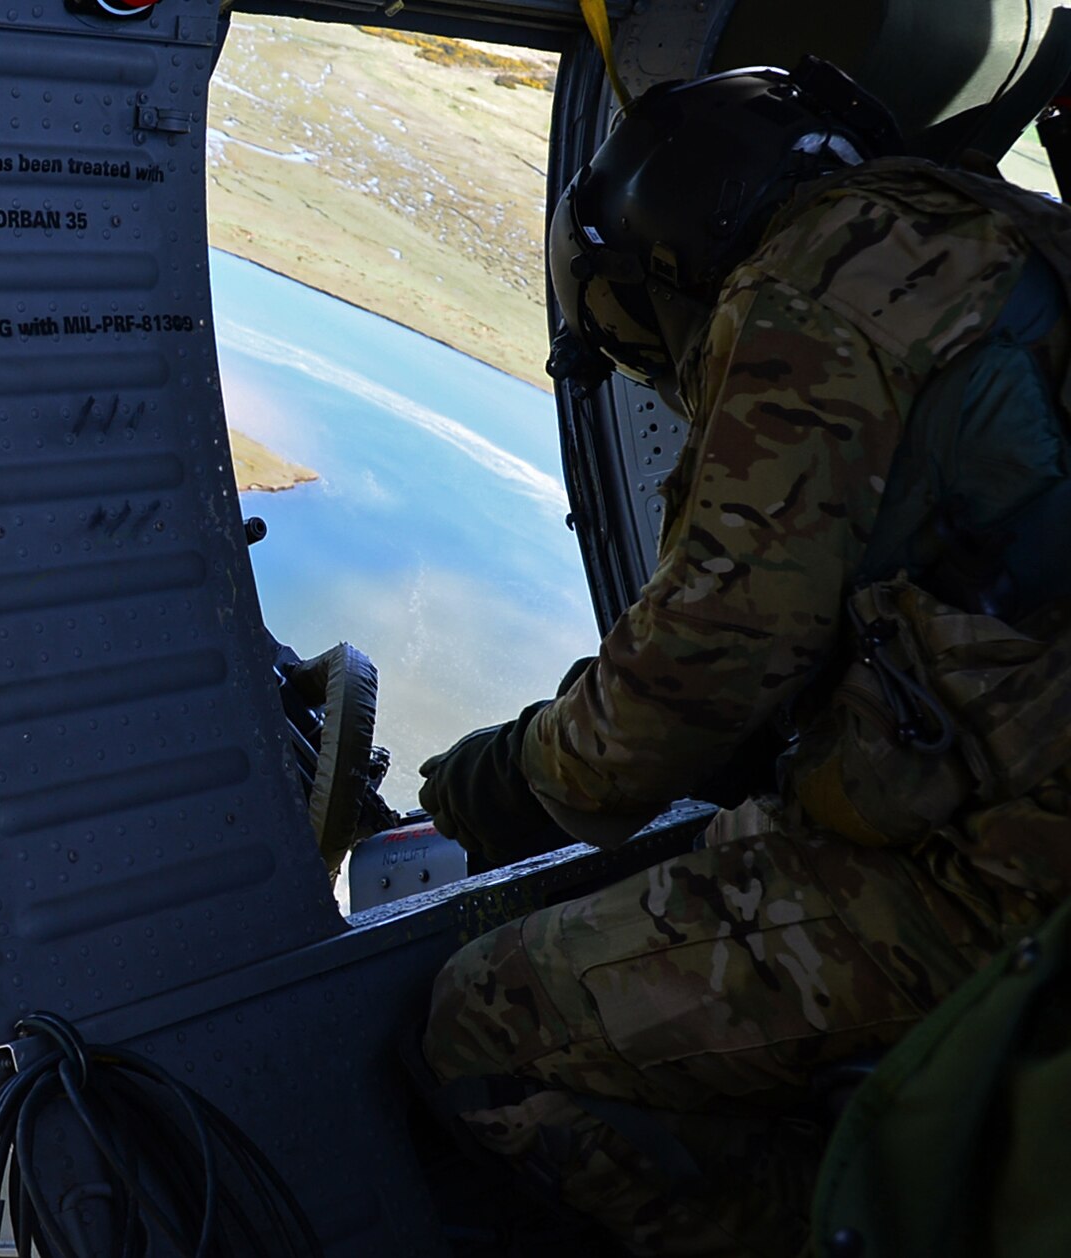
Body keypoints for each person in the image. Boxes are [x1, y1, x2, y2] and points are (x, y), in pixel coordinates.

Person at [415, 58, 1071, 1257]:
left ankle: (838, 1221)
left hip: (1013, 887)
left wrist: (512, 776)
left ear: (661, 262)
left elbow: (701, 664)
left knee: (484, 1026)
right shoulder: (994, 234)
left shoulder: (809, 295)